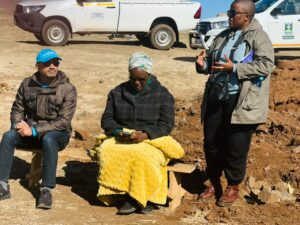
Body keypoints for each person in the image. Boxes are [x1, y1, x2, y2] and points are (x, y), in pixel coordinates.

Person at [195, 0, 274, 207]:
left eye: (234, 12)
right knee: (211, 143)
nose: (229, 15)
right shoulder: (223, 36)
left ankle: (232, 186)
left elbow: (266, 64)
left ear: (247, 17)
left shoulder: (259, 37)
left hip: (241, 100)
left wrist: (236, 69)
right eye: (230, 11)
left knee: (235, 146)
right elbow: (213, 62)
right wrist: (203, 65)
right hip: (216, 96)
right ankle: (213, 181)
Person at [90, 53, 184, 215]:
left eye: (141, 79)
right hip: (123, 137)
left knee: (141, 155)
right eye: (133, 78)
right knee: (107, 150)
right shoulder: (117, 92)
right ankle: (119, 193)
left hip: (152, 140)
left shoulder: (162, 94)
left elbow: (166, 124)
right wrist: (118, 132)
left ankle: (138, 197)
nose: (136, 82)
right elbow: (107, 119)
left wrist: (146, 134)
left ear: (149, 75)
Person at [0, 49, 77, 209]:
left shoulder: (67, 88)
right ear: (37, 65)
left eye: (55, 63)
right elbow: (17, 109)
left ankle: (46, 189)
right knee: (8, 136)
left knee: (49, 139)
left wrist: (34, 130)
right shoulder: (27, 84)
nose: (52, 66)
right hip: (30, 130)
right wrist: (18, 124)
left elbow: (63, 121)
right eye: (47, 63)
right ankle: (2, 185)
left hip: (58, 134)